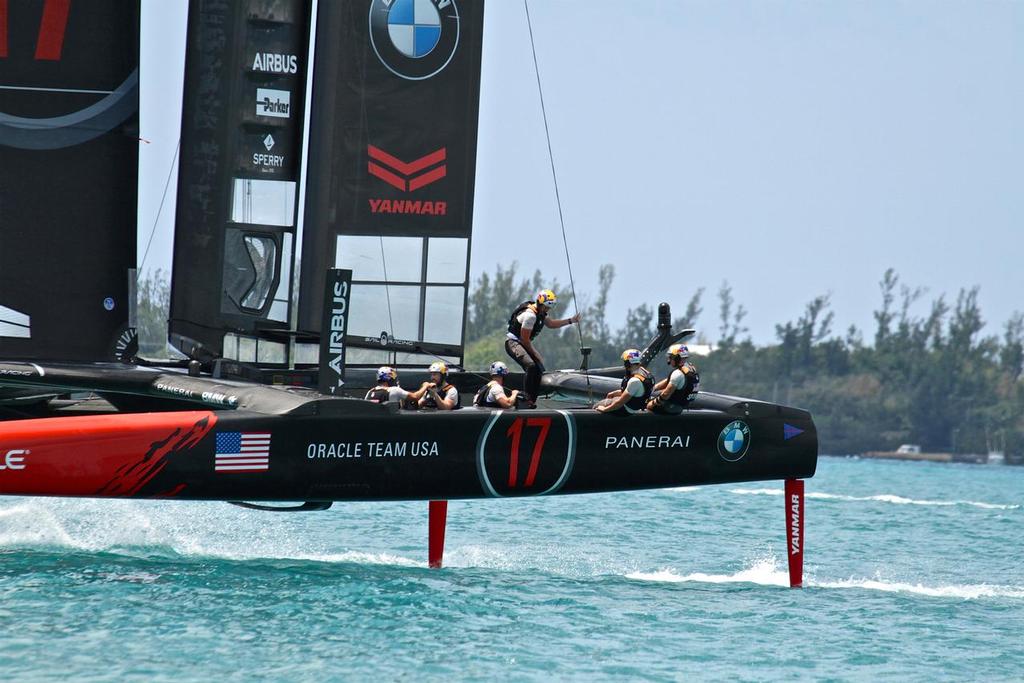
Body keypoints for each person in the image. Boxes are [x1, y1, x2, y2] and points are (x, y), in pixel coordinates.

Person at [505, 288, 580, 407]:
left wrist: (571, 320)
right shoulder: (530, 316)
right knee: (531, 366)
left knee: (539, 369)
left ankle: (531, 401)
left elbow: (551, 324)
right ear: (539, 303)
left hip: (521, 343)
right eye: (546, 307)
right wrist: (536, 354)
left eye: (548, 307)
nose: (547, 310)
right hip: (513, 343)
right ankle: (525, 398)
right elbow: (524, 340)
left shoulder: (539, 312)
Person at [595, 348, 653, 414]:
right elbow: (635, 393)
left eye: (625, 362)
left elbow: (619, 403)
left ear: (628, 364)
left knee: (596, 406)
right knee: (612, 398)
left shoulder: (634, 381)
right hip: (636, 406)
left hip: (626, 410)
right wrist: (614, 393)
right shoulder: (644, 373)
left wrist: (604, 409)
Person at [647, 344, 700, 414]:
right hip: (680, 406)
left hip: (670, 408)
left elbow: (665, 394)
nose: (669, 360)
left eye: (671, 357)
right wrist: (653, 388)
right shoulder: (690, 369)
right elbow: (668, 381)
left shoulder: (678, 374)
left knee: (648, 404)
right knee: (654, 395)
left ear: (677, 358)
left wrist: (652, 403)